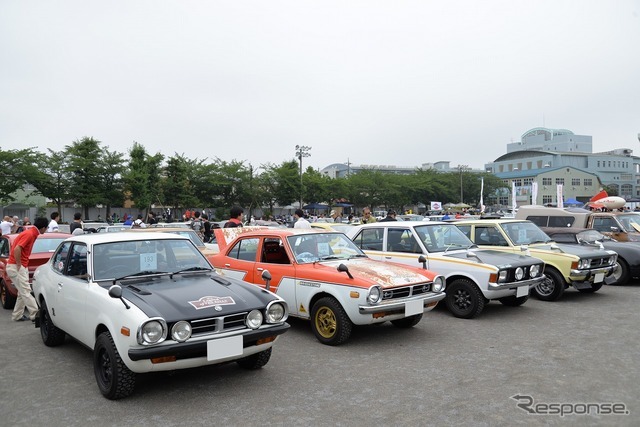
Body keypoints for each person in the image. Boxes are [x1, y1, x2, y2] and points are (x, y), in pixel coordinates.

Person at [7, 216, 49, 321]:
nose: (47, 229)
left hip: (16, 266)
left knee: (22, 292)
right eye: (46, 228)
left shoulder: (30, 233)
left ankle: (17, 315)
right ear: (43, 228)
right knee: (26, 291)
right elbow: (17, 249)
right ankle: (35, 315)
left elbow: (17, 248)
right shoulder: (30, 234)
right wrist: (19, 265)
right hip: (17, 266)